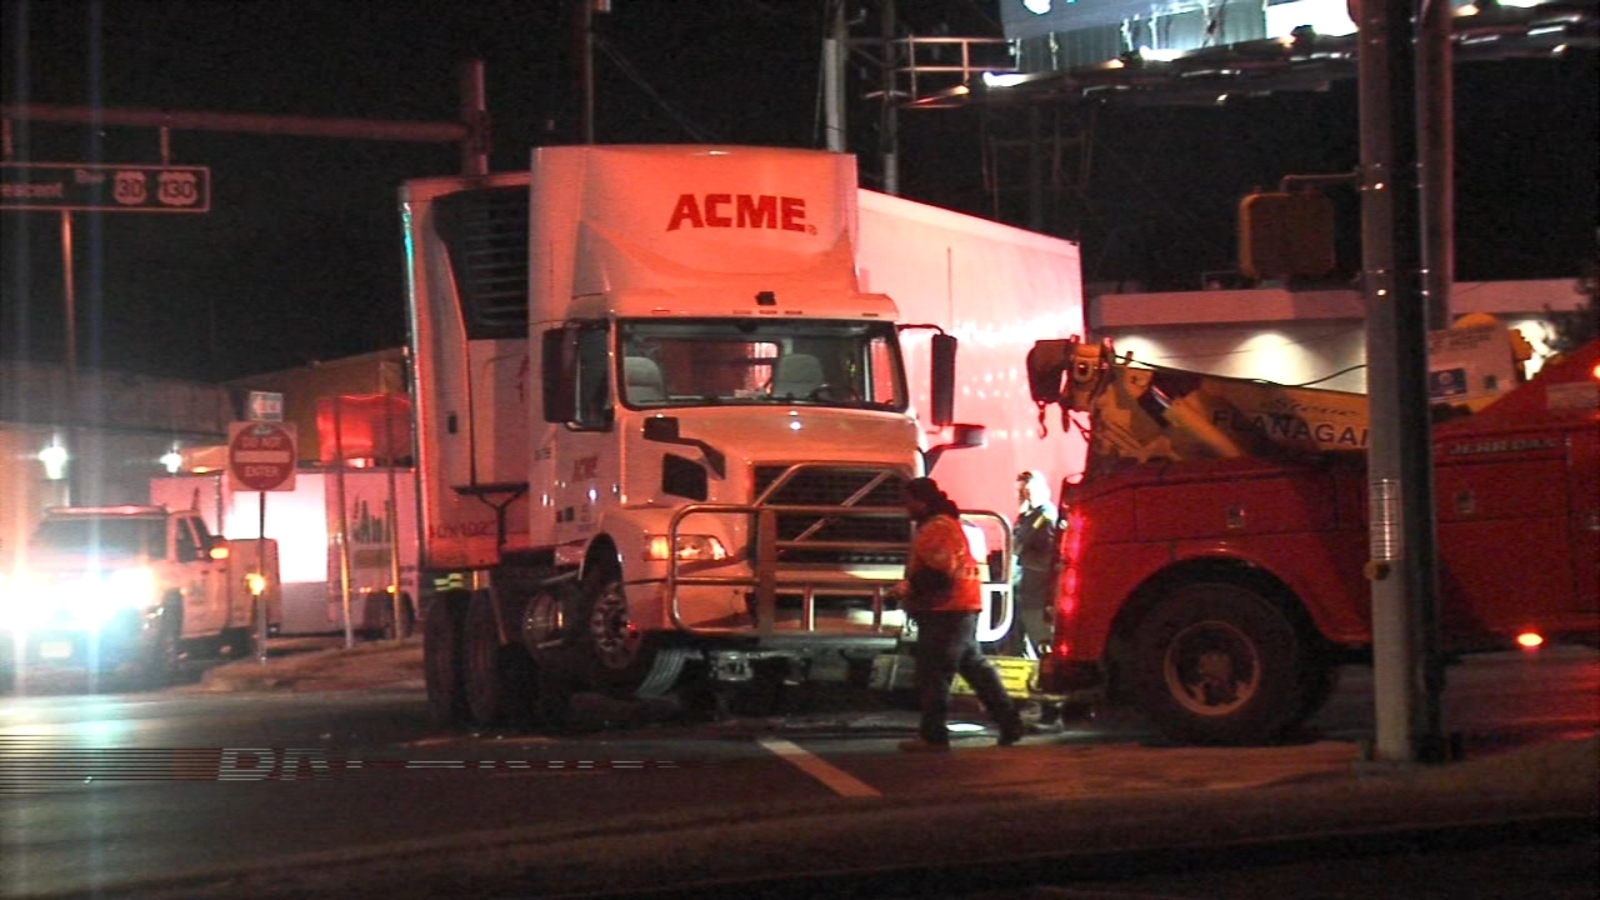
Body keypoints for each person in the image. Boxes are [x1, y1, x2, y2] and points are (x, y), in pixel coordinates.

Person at [895, 477, 1025, 752]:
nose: (905, 506)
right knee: (975, 668)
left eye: (908, 501)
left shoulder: (935, 529)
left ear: (921, 501)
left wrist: (908, 587)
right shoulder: (948, 524)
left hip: (945, 610)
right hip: (962, 607)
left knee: (934, 674)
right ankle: (1009, 722)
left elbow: (940, 574)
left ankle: (934, 737)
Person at [1009, 470, 1060, 659]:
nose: (1023, 496)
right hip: (1024, 591)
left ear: (1042, 490)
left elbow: (1049, 556)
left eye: (1027, 491)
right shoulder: (1027, 516)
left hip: (1037, 594)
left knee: (1041, 640)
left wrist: (1020, 558)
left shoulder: (1045, 517)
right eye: (1019, 491)